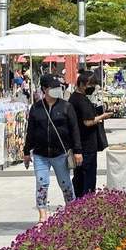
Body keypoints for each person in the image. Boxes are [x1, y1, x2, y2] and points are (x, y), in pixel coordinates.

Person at [24, 73, 83, 221]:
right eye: (53, 87)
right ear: (44, 89)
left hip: (60, 153)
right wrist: (26, 152)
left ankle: (71, 211)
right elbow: (30, 131)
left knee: (65, 184)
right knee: (42, 183)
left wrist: (77, 151)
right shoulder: (36, 108)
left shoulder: (66, 106)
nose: (57, 90)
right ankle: (42, 214)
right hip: (40, 154)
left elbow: (74, 129)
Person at [70, 71, 107, 197]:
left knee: (80, 176)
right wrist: (103, 116)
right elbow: (87, 122)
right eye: (90, 85)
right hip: (86, 144)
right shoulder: (80, 100)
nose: (92, 88)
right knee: (87, 177)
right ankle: (86, 202)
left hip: (81, 144)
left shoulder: (75, 97)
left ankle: (81, 201)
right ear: (81, 84)